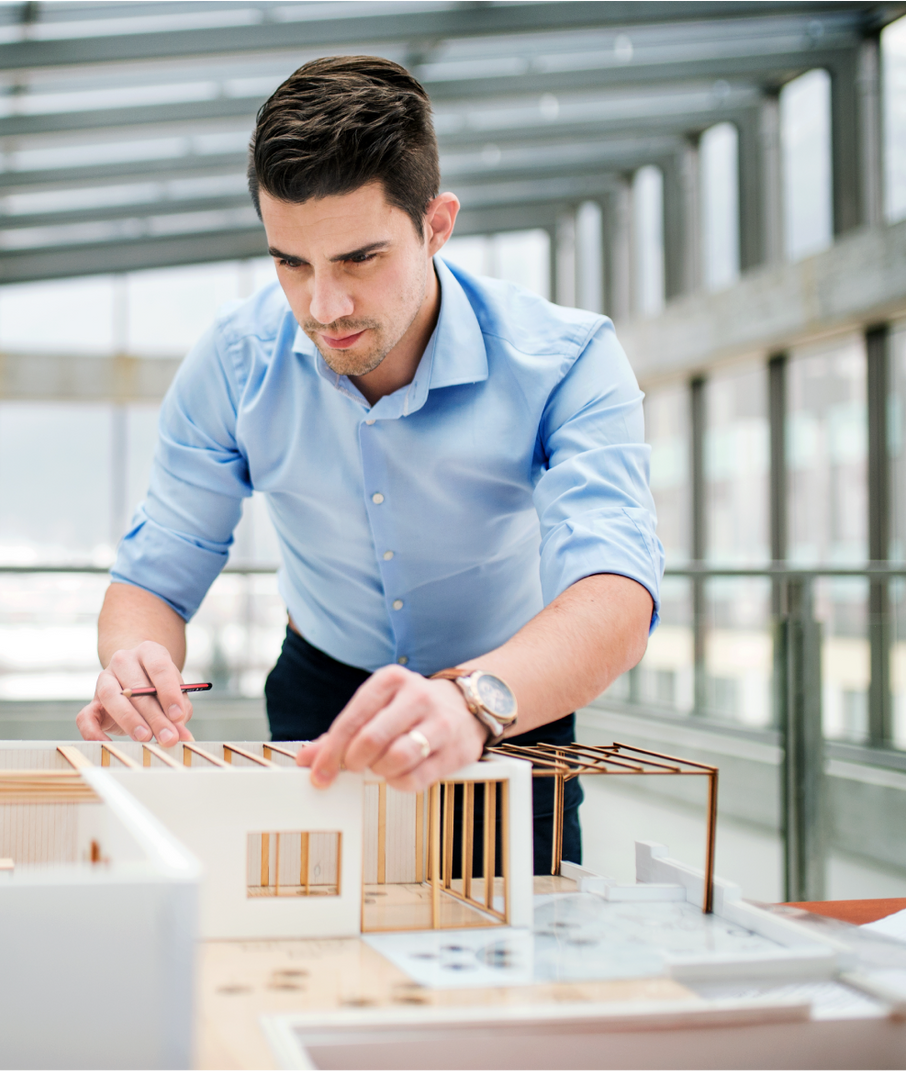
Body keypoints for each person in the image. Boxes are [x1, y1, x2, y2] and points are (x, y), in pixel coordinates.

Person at [75, 55, 660, 874]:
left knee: (517, 949)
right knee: (312, 932)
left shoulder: (567, 359)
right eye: (291, 263)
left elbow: (616, 592)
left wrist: (472, 702)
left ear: (436, 225)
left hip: (505, 695)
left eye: (359, 259)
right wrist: (133, 660)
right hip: (321, 685)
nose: (324, 308)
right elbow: (154, 577)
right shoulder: (235, 360)